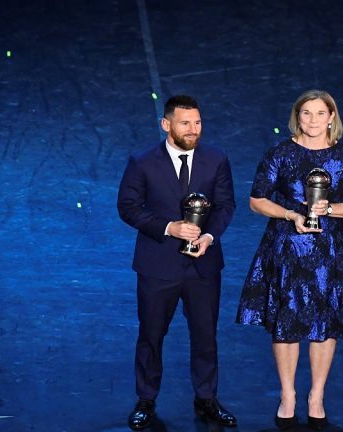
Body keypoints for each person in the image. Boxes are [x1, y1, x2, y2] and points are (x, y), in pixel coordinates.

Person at [236, 90, 343, 431]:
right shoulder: (280, 153)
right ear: (297, 117)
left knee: (326, 324)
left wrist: (330, 209)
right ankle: (288, 396)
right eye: (306, 113)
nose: (313, 120)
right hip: (287, 248)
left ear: (331, 117)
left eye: (320, 113)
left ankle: (317, 396)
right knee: (287, 321)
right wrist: (290, 214)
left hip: (330, 250)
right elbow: (256, 200)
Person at [117, 95, 237, 430]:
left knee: (205, 335)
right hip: (158, 266)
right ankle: (146, 399)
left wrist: (208, 237)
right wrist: (169, 227)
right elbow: (128, 206)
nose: (193, 129)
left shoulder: (216, 158)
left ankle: (206, 398)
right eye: (185, 123)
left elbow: (225, 205)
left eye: (197, 122)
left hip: (203, 265)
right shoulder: (142, 162)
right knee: (151, 335)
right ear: (166, 124)